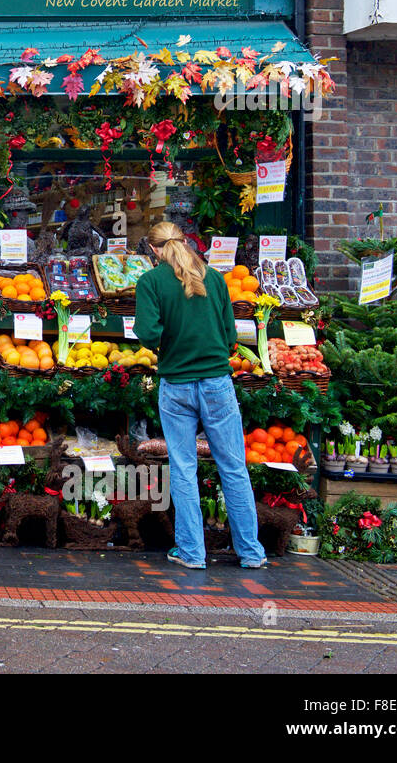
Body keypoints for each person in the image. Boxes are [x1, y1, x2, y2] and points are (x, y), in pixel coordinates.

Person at [132, 221, 268, 571]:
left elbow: (147, 334)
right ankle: (251, 552)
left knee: (183, 468)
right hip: (217, 383)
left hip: (176, 384)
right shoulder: (216, 278)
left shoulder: (150, 282)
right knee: (234, 468)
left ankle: (192, 553)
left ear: (153, 250)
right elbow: (228, 336)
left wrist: (169, 340)